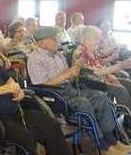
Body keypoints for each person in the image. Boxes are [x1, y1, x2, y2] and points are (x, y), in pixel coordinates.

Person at [0, 30, 73, 155]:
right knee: (26, 137)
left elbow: (10, 82)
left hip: (14, 111)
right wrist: (3, 90)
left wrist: (19, 91)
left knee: (51, 124)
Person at [27, 26, 130, 155]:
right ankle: (104, 146)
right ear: (42, 43)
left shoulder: (58, 54)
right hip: (55, 95)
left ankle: (113, 141)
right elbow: (40, 84)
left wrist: (76, 68)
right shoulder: (34, 58)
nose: (57, 40)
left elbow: (68, 74)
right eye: (53, 39)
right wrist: (68, 74)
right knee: (83, 102)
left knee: (100, 96)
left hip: (69, 88)